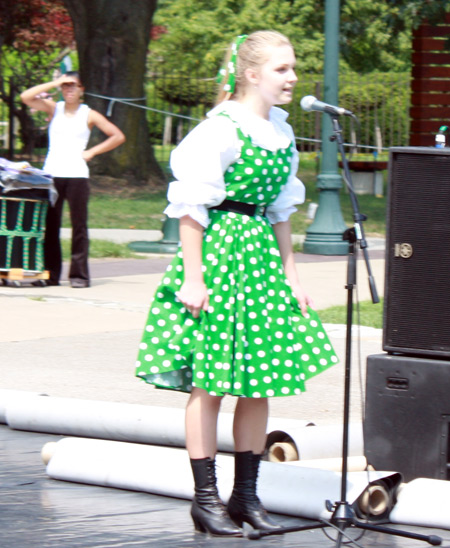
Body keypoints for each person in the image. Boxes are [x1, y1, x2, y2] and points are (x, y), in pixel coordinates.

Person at [135, 31, 339, 536]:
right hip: (221, 253)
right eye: (282, 69)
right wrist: (194, 277)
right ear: (252, 74)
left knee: (259, 379)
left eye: (293, 69)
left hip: (259, 260)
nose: (292, 78)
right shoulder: (221, 130)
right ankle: (206, 500)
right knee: (211, 383)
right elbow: (189, 207)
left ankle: (246, 497)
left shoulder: (282, 133)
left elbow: (281, 212)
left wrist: (292, 276)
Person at [20, 72, 125, 288]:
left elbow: (117, 136)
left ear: (81, 90)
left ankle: (79, 276)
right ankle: (50, 275)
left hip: (77, 175)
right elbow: (26, 97)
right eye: (65, 86)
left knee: (79, 227)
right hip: (52, 175)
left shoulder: (89, 114)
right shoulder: (53, 108)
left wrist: (92, 152)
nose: (69, 90)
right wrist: (54, 83)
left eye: (73, 86)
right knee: (50, 226)